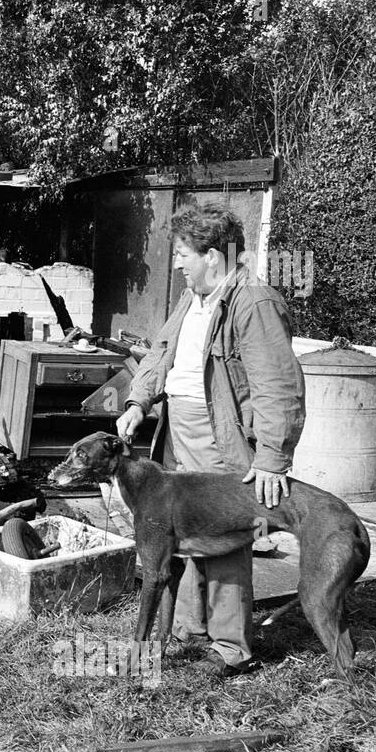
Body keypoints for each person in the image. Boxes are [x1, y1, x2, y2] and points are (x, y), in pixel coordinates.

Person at [117, 203, 305, 676]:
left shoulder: (253, 301)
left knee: (224, 540)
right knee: (177, 533)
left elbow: (277, 385)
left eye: (182, 254)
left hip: (220, 436)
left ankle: (230, 646)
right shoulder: (194, 296)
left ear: (213, 257)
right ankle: (188, 628)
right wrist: (139, 402)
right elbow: (162, 352)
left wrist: (271, 459)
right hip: (176, 429)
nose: (176, 263)